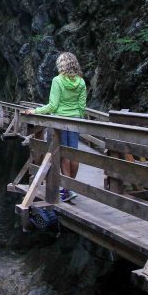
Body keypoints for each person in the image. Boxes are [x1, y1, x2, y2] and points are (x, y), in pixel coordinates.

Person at [33, 52, 87, 202]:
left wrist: (35, 111)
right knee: (73, 153)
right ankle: (70, 188)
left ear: (61, 64)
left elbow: (53, 105)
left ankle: (67, 190)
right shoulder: (81, 82)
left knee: (63, 154)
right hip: (76, 120)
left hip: (60, 121)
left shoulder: (58, 81)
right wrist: (78, 119)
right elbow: (82, 107)